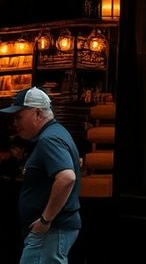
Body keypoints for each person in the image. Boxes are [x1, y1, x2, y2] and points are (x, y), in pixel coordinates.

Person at [1, 87, 81, 264]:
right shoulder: (55, 133)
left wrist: (45, 221)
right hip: (51, 230)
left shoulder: (49, 139)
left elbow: (67, 177)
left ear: (37, 113)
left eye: (19, 116)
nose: (15, 123)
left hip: (50, 230)